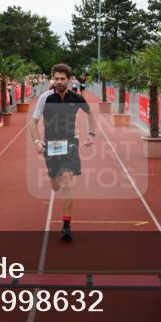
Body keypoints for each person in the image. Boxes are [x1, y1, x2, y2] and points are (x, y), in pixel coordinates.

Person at [29, 64, 97, 242]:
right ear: (53, 79)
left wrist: (91, 134)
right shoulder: (45, 98)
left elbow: (90, 114)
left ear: (69, 79)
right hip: (51, 144)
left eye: (62, 79)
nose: (59, 82)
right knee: (55, 185)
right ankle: (53, 176)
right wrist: (37, 141)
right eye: (56, 78)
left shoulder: (76, 97)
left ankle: (66, 224)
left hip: (70, 144)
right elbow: (33, 122)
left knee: (67, 181)